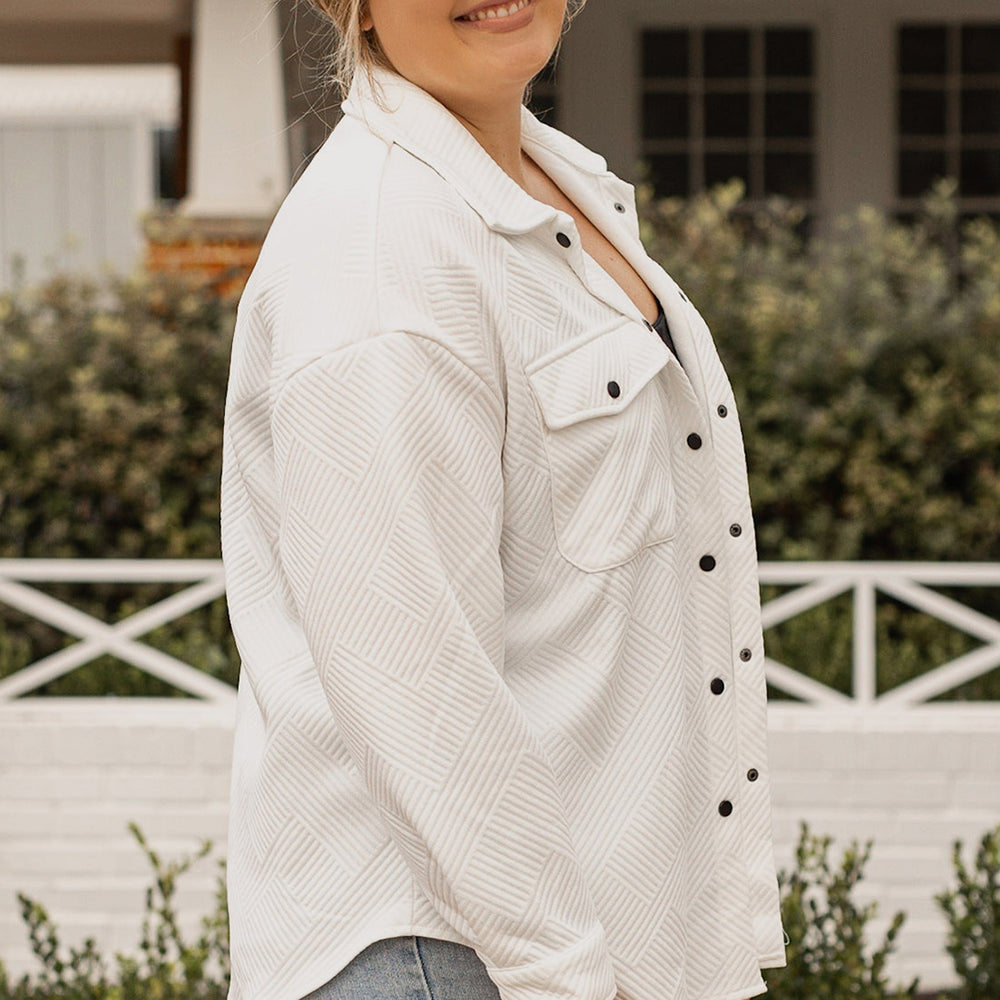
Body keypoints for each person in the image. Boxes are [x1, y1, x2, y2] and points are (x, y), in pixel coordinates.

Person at [220, 1, 787, 999]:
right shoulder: (380, 251)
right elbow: (414, 680)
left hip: (567, 942)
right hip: (460, 956)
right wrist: (564, 973)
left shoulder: (545, 184)